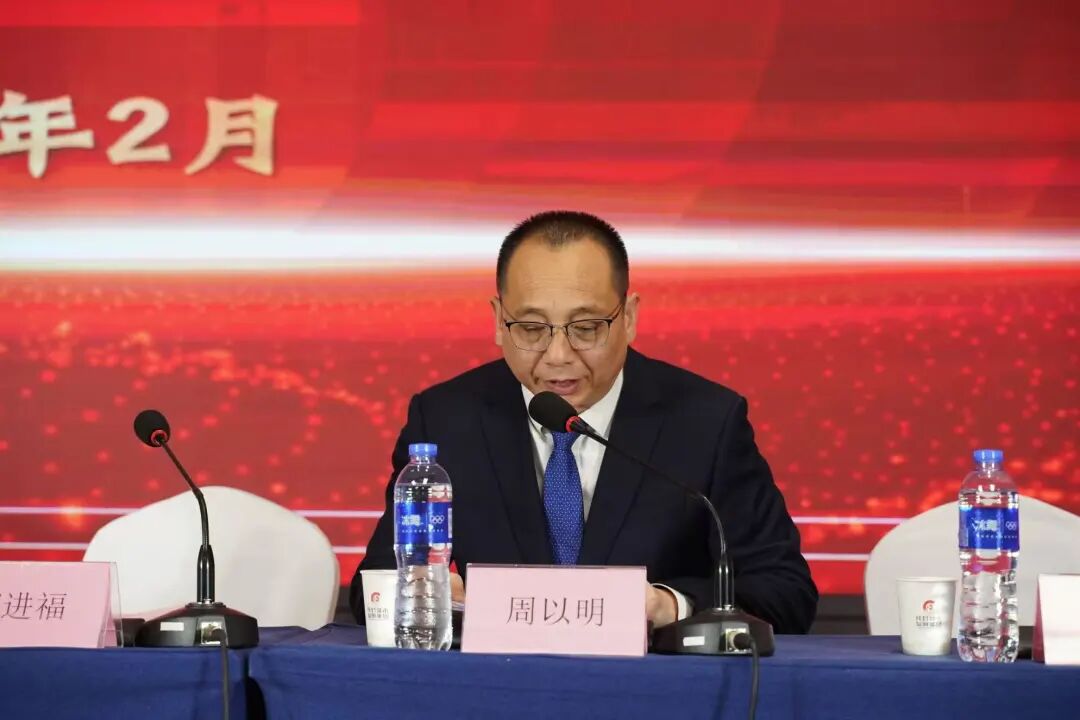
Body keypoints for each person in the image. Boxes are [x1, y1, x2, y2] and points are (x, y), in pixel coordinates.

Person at [351, 210, 817, 633]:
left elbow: (784, 592)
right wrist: (425, 595)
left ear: (628, 317)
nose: (558, 355)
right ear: (498, 320)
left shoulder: (705, 421)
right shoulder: (446, 419)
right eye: (531, 328)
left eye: (587, 327)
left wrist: (669, 605)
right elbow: (371, 591)